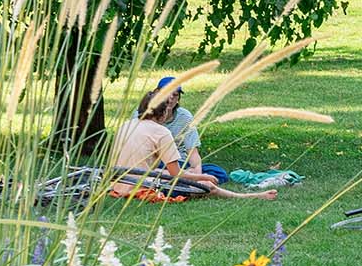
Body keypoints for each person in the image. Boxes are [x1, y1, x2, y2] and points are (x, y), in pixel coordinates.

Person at [108, 77, 276, 200]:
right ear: (163, 111)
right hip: (141, 187)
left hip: (119, 182)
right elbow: (176, 174)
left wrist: (196, 171)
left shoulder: (127, 124)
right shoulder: (160, 132)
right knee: (205, 185)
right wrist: (201, 178)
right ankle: (252, 196)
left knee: (176, 172)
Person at [146, 75, 227, 183]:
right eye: (166, 94)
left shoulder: (185, 116)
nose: (170, 99)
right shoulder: (143, 115)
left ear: (179, 98)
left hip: (179, 163)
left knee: (218, 172)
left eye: (175, 95)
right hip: (153, 162)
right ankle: (175, 177)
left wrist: (196, 173)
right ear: (157, 93)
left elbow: (193, 152)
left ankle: (172, 177)